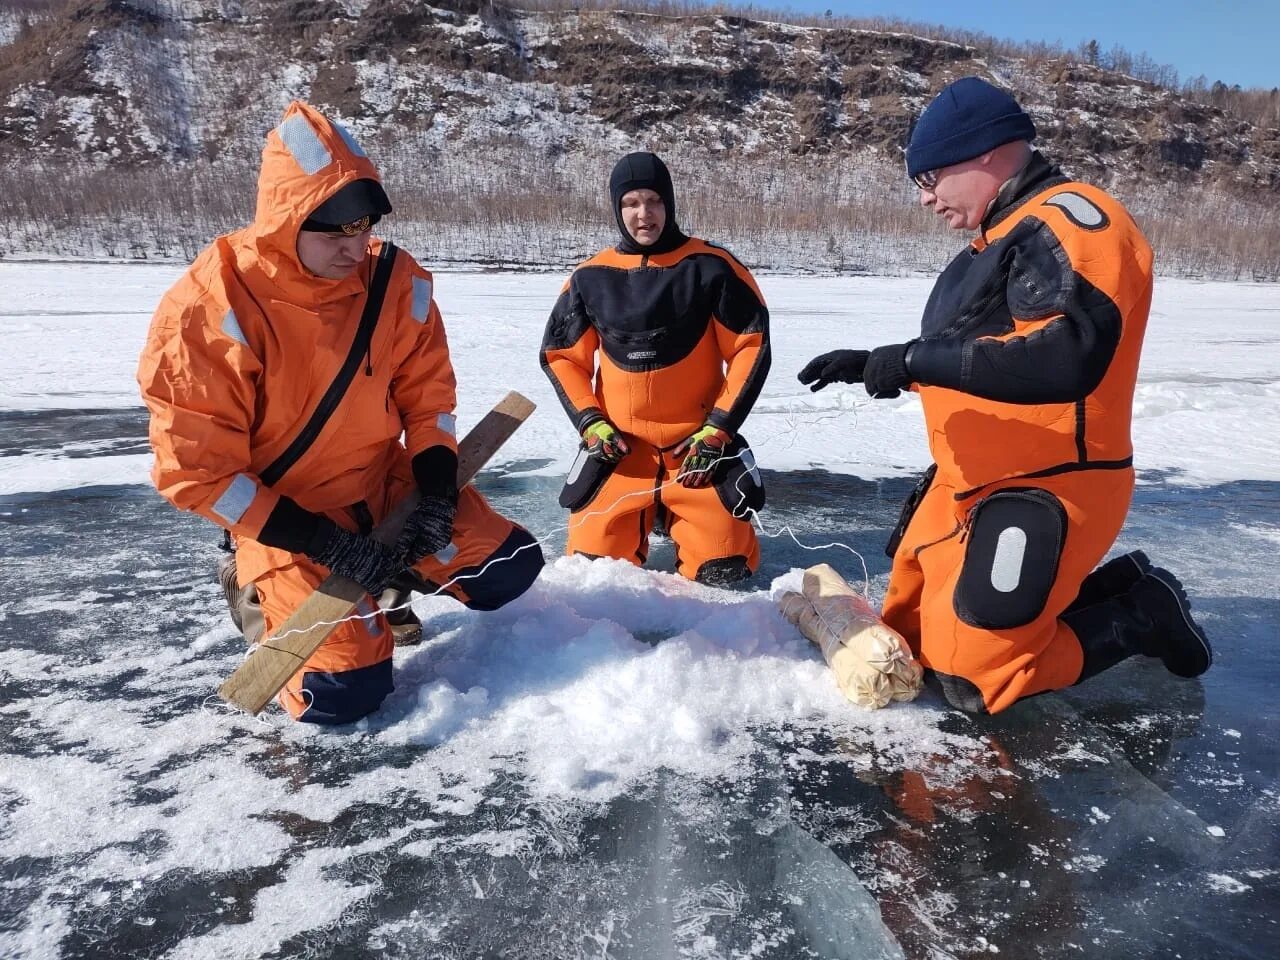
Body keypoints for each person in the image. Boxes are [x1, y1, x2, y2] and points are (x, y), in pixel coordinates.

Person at [798, 77, 1212, 715]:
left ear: (987, 151)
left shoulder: (1071, 222)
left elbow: (1065, 354)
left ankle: (1141, 615)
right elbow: (982, 353)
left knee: (971, 680)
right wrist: (877, 365)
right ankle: (1101, 590)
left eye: (931, 176)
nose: (927, 198)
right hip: (969, 480)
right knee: (903, 638)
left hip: (1049, 482)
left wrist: (914, 357)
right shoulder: (994, 240)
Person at [137, 101, 543, 724]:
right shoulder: (211, 309)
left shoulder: (394, 285)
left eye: (363, 229)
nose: (356, 248)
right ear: (284, 221)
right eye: (334, 233)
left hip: (382, 486)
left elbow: (429, 399)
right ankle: (250, 587)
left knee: (509, 570)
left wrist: (435, 492)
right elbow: (197, 473)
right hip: (291, 515)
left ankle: (392, 580)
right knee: (342, 697)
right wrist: (325, 543)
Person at [540, 152, 770, 584]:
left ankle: (682, 514)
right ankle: (645, 512)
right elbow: (561, 357)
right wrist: (591, 424)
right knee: (594, 577)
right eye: (630, 203)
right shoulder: (591, 275)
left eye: (653, 201)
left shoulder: (712, 268)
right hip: (620, 452)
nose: (643, 214)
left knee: (724, 573)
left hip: (697, 451)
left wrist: (718, 428)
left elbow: (750, 348)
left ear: (670, 204)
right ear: (616, 208)